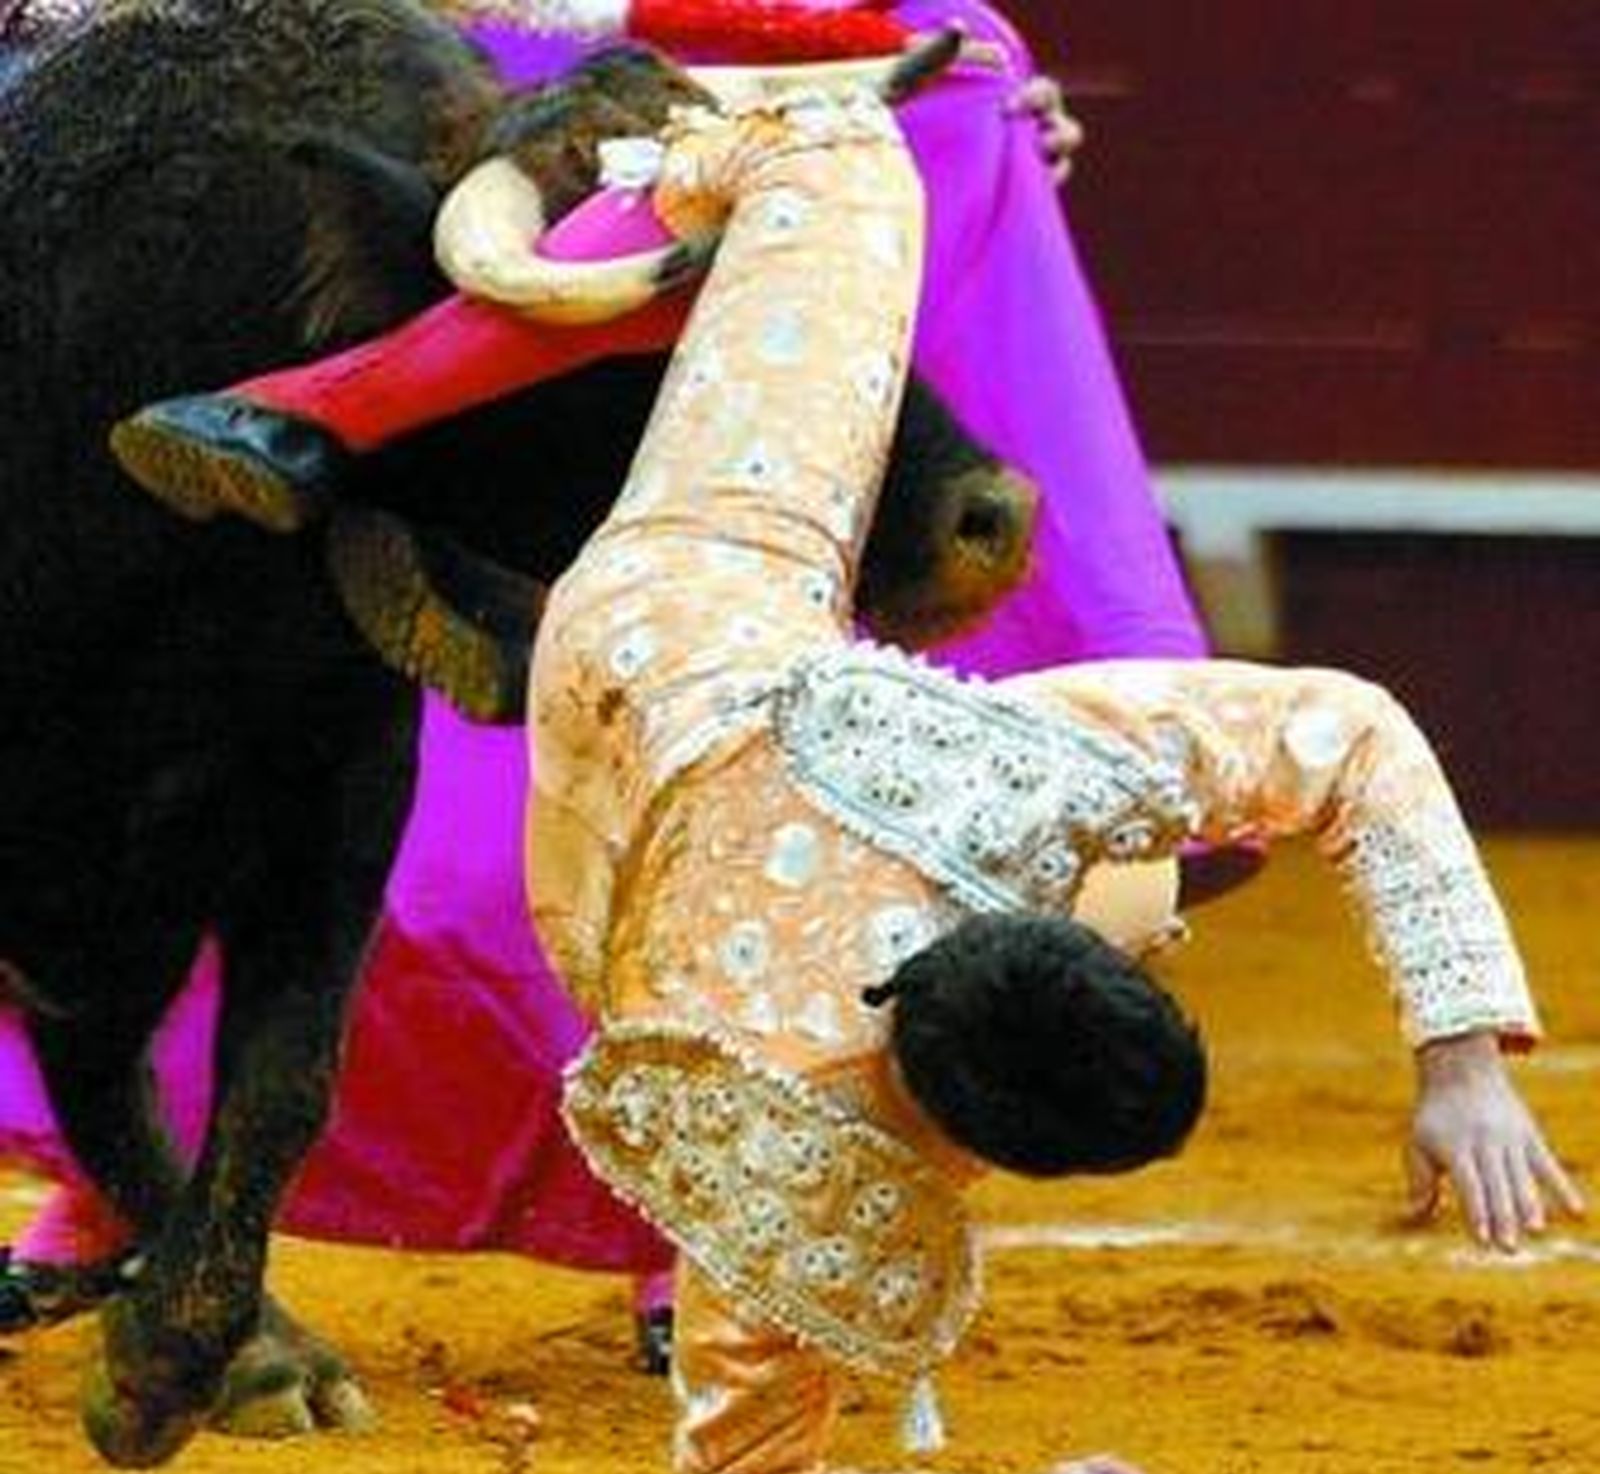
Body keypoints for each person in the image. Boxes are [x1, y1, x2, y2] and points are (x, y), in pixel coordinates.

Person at [0, 0, 1208, 1371]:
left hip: (564, 139)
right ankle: (127, 1179)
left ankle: (683, 1229)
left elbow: (857, 47)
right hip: (289, 150)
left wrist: (972, 122)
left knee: (674, 803)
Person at [499, 84, 1579, 1474]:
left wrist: (1461, 1065)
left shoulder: (1001, 780)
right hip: (609, 867)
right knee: (1145, 884)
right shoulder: (797, 1139)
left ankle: (627, 165)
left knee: (844, 153)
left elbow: (1354, 734)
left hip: (688, 613)